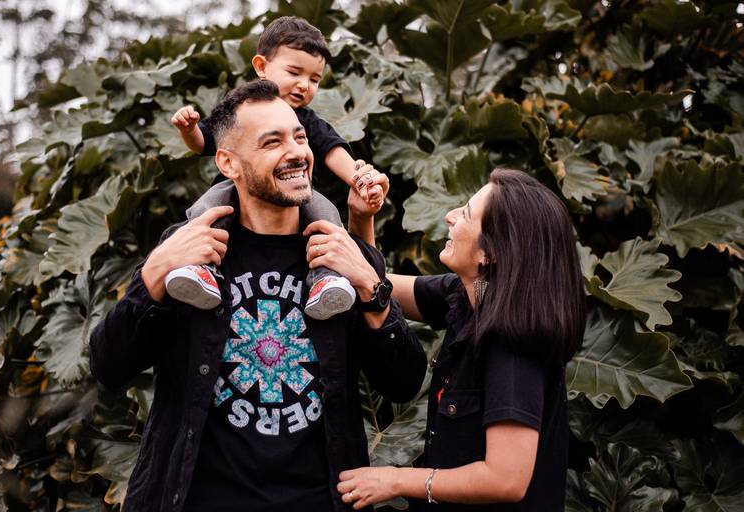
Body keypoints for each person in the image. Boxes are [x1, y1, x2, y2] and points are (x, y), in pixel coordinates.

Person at [89, 80, 426, 512]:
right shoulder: (187, 249)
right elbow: (108, 366)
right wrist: (153, 273)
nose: (297, 152)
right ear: (228, 162)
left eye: (299, 138)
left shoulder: (345, 255)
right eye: (273, 142)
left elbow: (403, 383)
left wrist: (370, 288)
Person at [328, 169, 586, 511]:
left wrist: (395, 480)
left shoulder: (512, 346)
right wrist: (362, 219)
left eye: (465, 214)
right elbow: (377, 288)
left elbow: (506, 480)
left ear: (489, 254)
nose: (449, 217)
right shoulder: (472, 294)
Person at [167, 15, 384, 320]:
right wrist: (189, 129)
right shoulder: (240, 110)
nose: (303, 85)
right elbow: (204, 142)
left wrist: (359, 178)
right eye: (294, 72)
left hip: (296, 194)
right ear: (261, 66)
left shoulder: (307, 119)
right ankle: (201, 269)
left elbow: (332, 150)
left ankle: (325, 278)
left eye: (314, 79)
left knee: (328, 215)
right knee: (208, 209)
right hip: (237, 190)